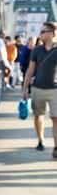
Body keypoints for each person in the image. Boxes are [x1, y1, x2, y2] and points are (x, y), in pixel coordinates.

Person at [22, 22, 57, 157]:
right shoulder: (36, 51)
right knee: (38, 116)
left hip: (55, 89)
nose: (40, 34)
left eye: (44, 31)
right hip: (38, 88)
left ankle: (56, 147)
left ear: (53, 33)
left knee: (56, 119)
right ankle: (41, 140)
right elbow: (30, 71)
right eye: (40, 31)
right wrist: (24, 89)